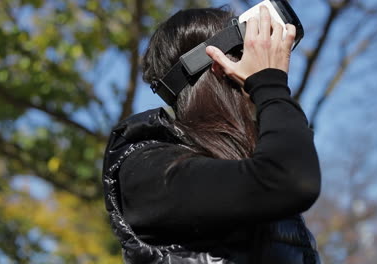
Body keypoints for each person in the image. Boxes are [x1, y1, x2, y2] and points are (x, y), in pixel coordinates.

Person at [102, 5, 321, 264]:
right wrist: (269, 84)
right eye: (246, 53)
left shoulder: (251, 169)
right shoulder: (148, 169)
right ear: (220, 64)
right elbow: (293, 182)